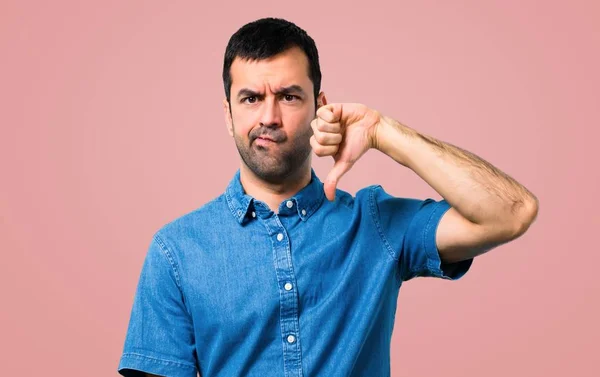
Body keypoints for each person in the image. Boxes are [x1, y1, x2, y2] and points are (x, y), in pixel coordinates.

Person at [117, 17, 539, 377]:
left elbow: (511, 212)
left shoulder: (374, 225)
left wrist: (382, 132)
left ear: (320, 106)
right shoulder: (176, 250)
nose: (269, 117)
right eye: (250, 98)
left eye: (288, 96)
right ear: (228, 115)